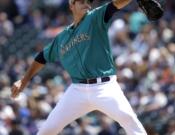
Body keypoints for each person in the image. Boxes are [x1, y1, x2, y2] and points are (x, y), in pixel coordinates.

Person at [11, 0, 148, 134]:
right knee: (47, 130)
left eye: (89, 2)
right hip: (77, 90)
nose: (87, 5)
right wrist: (24, 81)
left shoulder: (95, 17)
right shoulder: (62, 38)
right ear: (72, 4)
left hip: (105, 87)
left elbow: (116, 4)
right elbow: (41, 57)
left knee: (132, 124)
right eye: (82, 2)